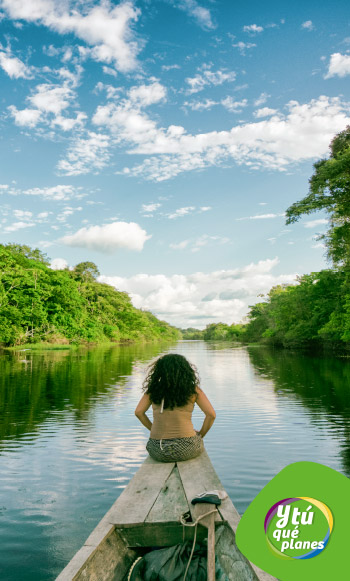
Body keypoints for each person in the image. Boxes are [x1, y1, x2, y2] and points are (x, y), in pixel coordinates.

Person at [135, 353, 216, 462]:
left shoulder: (153, 390)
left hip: (158, 449)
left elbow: (139, 412)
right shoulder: (193, 390)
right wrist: (200, 435)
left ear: (160, 370)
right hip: (188, 448)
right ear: (185, 370)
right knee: (197, 442)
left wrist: (153, 428)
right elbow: (211, 415)